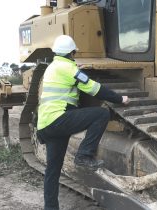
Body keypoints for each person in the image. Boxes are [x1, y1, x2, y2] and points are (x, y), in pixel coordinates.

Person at [37, 35, 130, 210]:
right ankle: (84, 155)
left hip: (46, 124)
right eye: (74, 53)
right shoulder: (68, 68)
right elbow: (93, 88)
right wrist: (120, 98)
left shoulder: (53, 66)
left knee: (53, 170)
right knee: (101, 114)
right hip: (59, 119)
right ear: (72, 52)